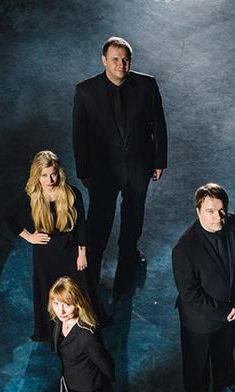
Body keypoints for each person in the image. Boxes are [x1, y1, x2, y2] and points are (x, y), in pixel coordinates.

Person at [71, 36, 168, 302]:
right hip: (102, 172)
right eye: (115, 59)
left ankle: (124, 281)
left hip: (138, 167)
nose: (121, 65)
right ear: (104, 60)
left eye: (125, 60)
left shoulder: (147, 85)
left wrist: (159, 161)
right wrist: (83, 171)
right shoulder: (85, 91)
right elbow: (79, 135)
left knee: (132, 222)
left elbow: (158, 125)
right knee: (99, 225)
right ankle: (90, 282)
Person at [171, 183, 235, 392]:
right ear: (198, 211)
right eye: (210, 211)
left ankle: (227, 378)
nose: (218, 217)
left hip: (232, 309)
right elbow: (190, 294)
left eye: (221, 210)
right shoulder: (183, 249)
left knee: (225, 350)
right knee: (197, 363)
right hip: (200, 318)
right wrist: (224, 312)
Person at [5, 150, 90, 343]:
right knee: (49, 291)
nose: (50, 180)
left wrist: (82, 253)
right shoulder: (32, 195)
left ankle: (79, 329)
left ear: (59, 172)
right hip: (45, 252)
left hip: (69, 248)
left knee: (76, 289)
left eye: (53, 174)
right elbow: (8, 217)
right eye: (44, 175)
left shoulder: (71, 193)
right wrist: (29, 236)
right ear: (37, 175)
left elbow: (81, 226)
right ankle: (52, 332)